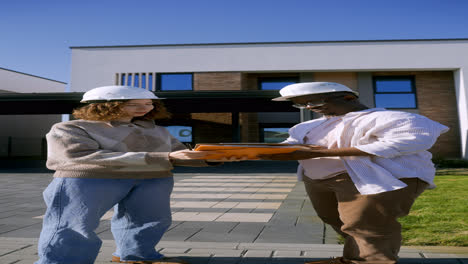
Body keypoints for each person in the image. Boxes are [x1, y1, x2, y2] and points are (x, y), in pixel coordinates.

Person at [259, 82, 449, 264]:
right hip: (319, 180)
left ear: (348, 97)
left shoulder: (394, 118)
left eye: (315, 101)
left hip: (376, 178)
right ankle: (354, 258)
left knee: (367, 224)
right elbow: (289, 148)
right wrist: (246, 153)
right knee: (334, 219)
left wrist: (319, 153)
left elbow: (404, 143)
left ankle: (373, 261)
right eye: (301, 104)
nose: (309, 107)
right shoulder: (307, 127)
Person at [36, 85, 218, 264]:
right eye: (134, 104)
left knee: (150, 220)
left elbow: (178, 153)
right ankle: (61, 261)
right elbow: (78, 156)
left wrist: (213, 158)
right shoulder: (70, 128)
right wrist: (164, 157)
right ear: (104, 105)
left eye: (149, 103)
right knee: (74, 224)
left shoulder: (157, 130)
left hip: (152, 179)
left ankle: (138, 256)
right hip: (88, 180)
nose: (145, 108)